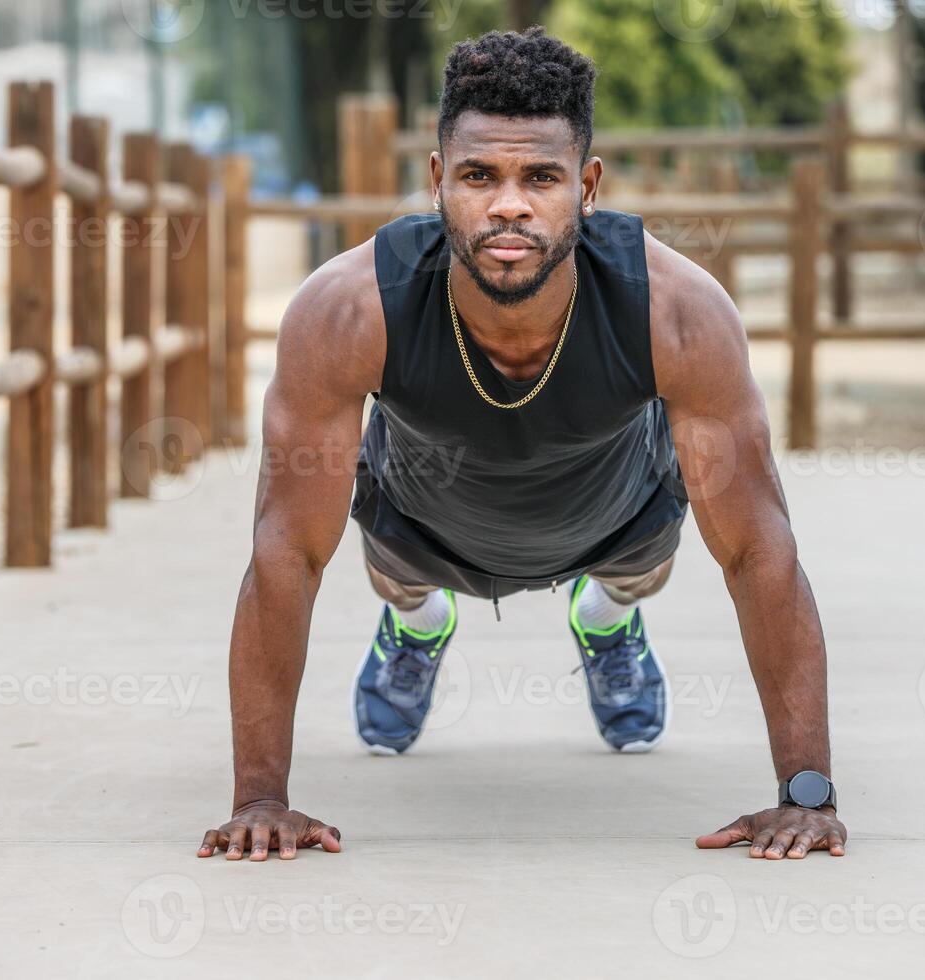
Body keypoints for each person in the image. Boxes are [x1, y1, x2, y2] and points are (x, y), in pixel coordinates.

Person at [197, 27, 845, 864]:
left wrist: (808, 793)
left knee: (640, 570)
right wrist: (260, 800)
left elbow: (759, 548)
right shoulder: (348, 311)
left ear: (587, 186)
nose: (508, 204)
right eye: (479, 176)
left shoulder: (678, 312)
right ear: (438, 182)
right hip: (423, 523)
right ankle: (419, 627)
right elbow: (286, 550)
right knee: (398, 577)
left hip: (617, 515)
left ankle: (607, 622)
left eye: (540, 177)